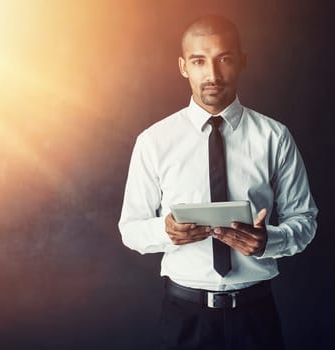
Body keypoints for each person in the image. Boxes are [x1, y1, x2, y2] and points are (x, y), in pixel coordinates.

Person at [118, 14, 318, 350]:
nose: (212, 74)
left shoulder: (274, 137)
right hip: (184, 318)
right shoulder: (154, 141)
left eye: (224, 59)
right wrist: (164, 231)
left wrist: (270, 240)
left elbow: (306, 221)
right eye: (199, 61)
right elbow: (130, 229)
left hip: (256, 316)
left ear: (242, 62)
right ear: (184, 67)